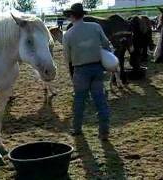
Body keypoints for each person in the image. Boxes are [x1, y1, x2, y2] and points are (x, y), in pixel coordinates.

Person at [62, 3, 113, 141]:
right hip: (97, 68)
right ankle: (104, 132)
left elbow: (67, 58)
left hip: (80, 71)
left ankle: (77, 129)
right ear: (83, 14)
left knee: (79, 101)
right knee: (100, 100)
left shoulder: (68, 34)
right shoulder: (95, 27)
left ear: (72, 16)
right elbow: (106, 45)